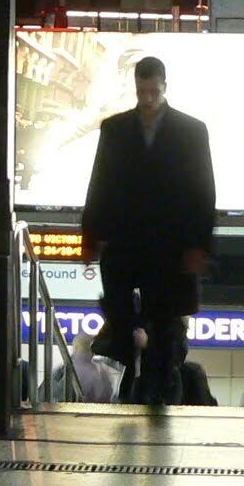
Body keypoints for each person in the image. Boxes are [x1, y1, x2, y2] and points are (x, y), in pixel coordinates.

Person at [81, 56, 216, 405]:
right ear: (136, 88)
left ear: (164, 87)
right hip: (127, 242)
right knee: (123, 324)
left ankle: (158, 397)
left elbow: (204, 189)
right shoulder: (115, 129)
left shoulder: (191, 131)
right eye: (142, 91)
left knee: (166, 327)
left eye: (154, 91)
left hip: (169, 247)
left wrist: (199, 245)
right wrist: (90, 235)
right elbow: (100, 182)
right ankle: (131, 395)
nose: (148, 97)